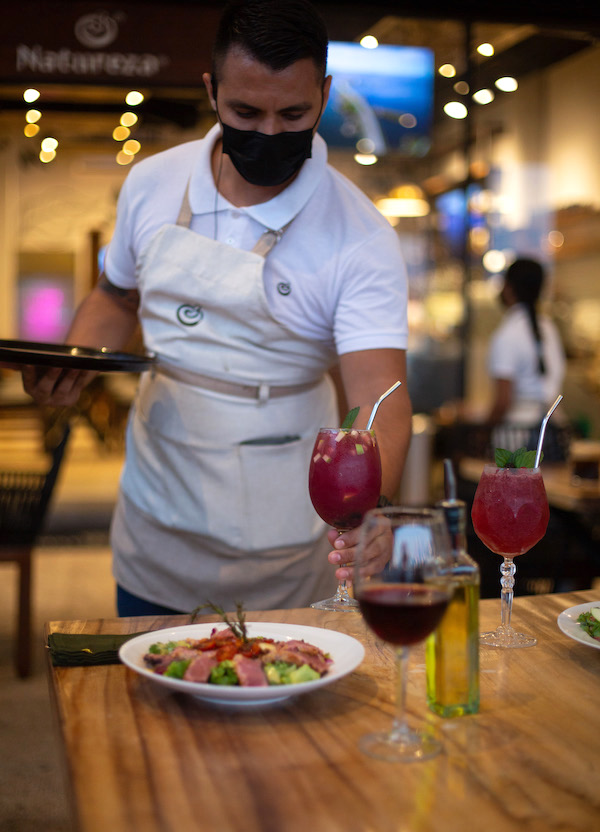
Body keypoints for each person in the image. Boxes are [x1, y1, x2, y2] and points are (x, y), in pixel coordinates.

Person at [20, 0, 412, 615]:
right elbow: (115, 296)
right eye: (245, 112)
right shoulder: (153, 184)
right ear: (211, 90)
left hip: (287, 533)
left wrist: (371, 507)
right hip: (157, 507)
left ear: (326, 94)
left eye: (294, 113)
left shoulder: (360, 235)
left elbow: (380, 396)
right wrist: (77, 361)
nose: (271, 133)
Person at [486, 257, 566, 452]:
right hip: (553, 431)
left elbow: (503, 401)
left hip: (516, 439)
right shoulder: (550, 328)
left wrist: (484, 430)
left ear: (509, 288)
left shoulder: (507, 334)